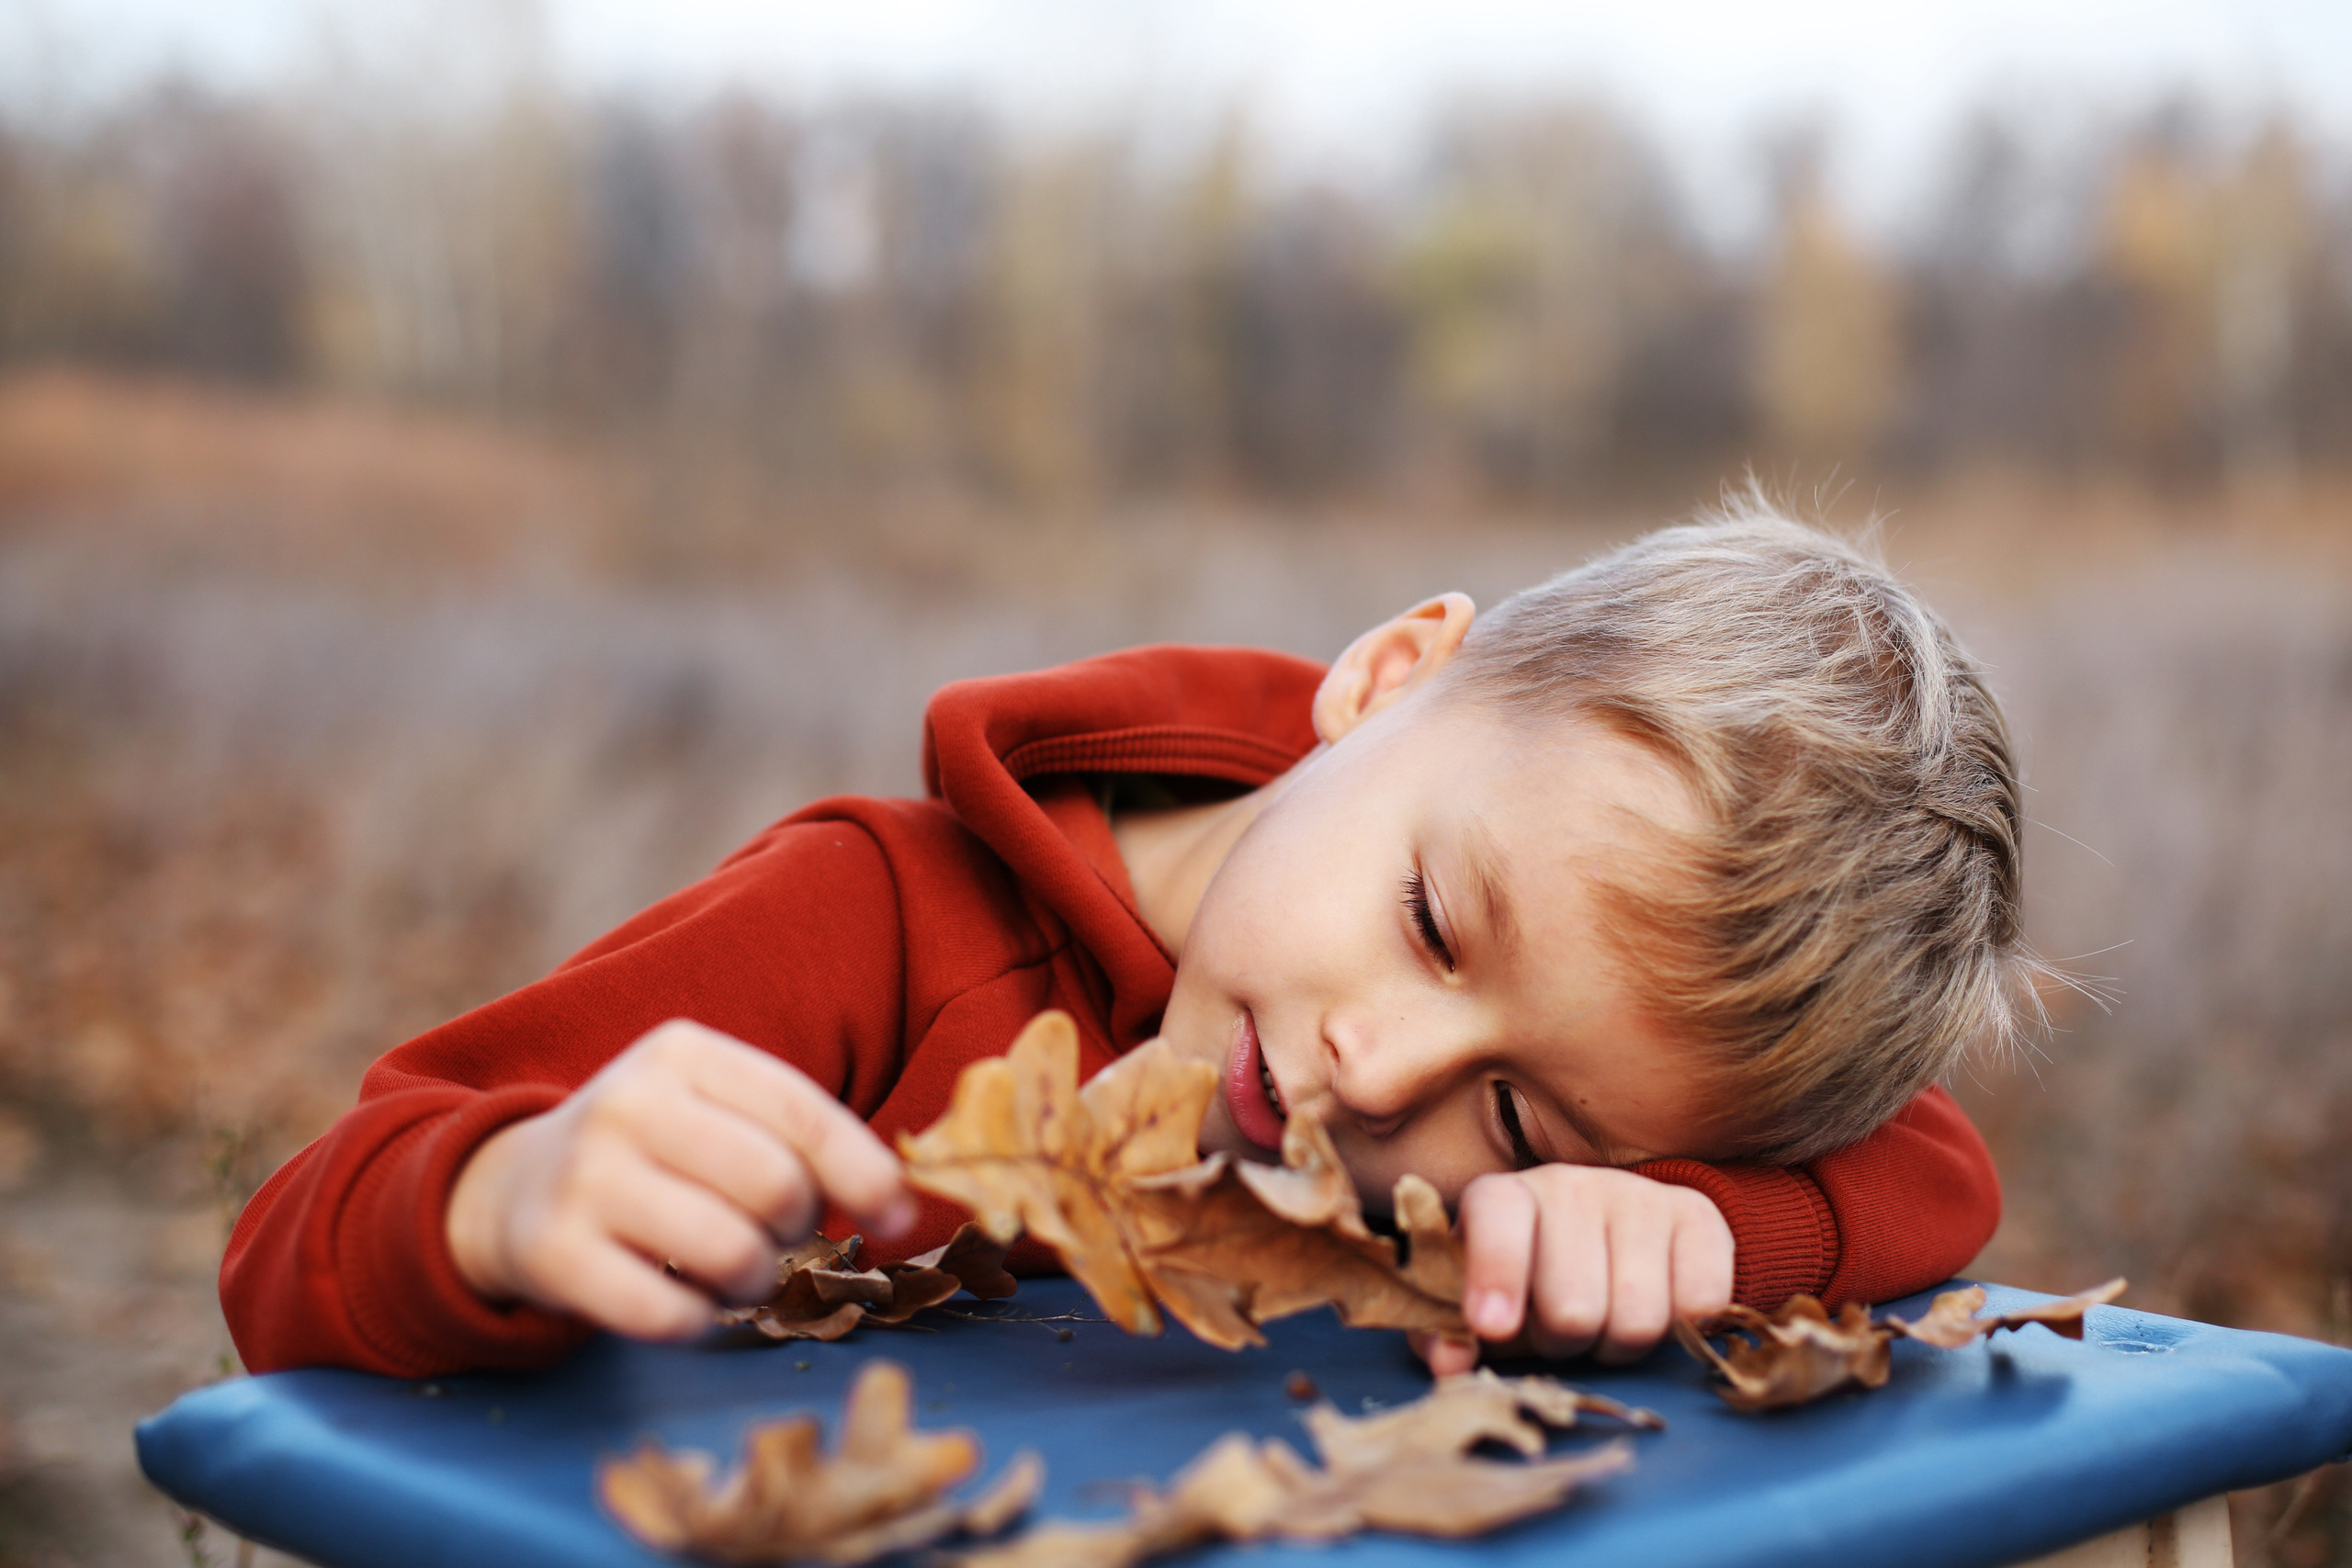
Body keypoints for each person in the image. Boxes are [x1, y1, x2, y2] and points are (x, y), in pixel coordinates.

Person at [220, 505, 2026, 1380]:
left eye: (1523, 1122)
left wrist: (1697, 1217)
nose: (1379, 1074)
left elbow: (1932, 1169)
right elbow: (288, 1245)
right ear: (1387, 677)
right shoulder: (871, 922)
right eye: (1427, 921)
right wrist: (498, 1200)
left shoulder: (1605, 1051)